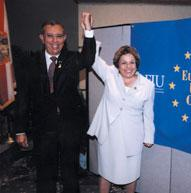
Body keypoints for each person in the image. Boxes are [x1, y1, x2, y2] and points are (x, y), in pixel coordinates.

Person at [14, 12, 96, 193]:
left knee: (70, 173)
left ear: (65, 38)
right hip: (43, 128)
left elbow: (89, 58)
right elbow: (23, 97)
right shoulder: (29, 62)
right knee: (44, 174)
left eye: (59, 36)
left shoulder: (72, 59)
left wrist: (88, 30)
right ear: (42, 38)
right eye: (50, 36)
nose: (55, 41)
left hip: (70, 127)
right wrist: (20, 129)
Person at [87, 42, 156, 193]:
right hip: (109, 136)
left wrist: (149, 137)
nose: (128, 66)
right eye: (123, 63)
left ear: (136, 64)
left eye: (132, 62)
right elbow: (92, 59)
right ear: (117, 65)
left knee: (131, 175)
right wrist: (89, 32)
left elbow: (148, 114)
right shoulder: (110, 74)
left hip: (132, 137)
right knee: (106, 173)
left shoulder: (148, 85)